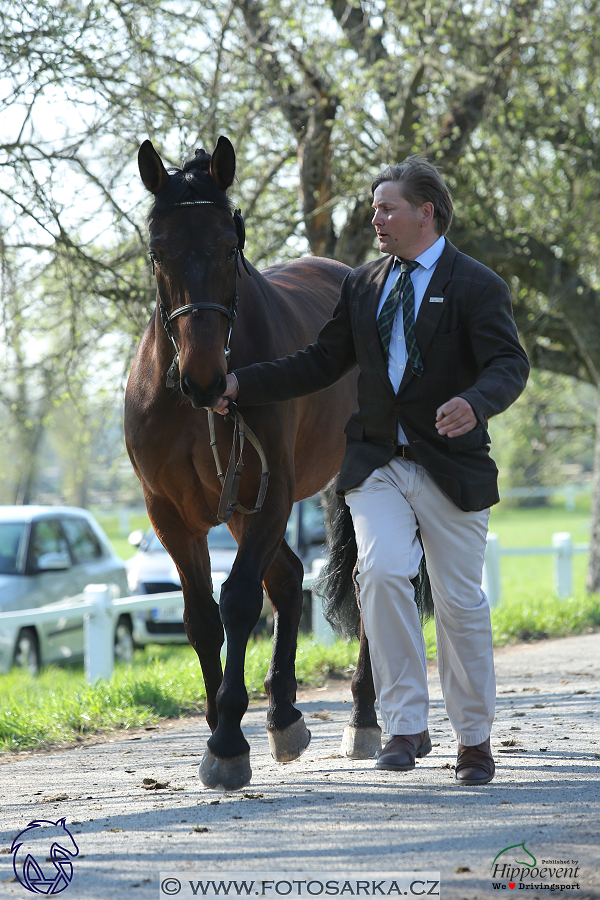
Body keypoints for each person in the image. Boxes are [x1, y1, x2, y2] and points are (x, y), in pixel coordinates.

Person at [211, 158, 529, 785]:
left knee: (460, 604)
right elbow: (318, 362)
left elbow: (509, 364)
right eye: (374, 207)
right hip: (379, 463)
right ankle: (405, 725)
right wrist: (241, 383)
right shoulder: (362, 285)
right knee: (379, 573)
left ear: (425, 212)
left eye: (387, 208)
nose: (375, 218)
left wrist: (476, 401)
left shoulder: (477, 285)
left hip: (450, 466)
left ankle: (474, 740)